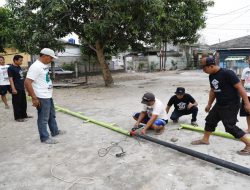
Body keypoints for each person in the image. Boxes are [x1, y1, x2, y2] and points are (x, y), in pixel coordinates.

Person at [191, 56, 250, 155]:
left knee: (230, 126)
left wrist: (247, 103)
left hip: (231, 104)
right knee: (210, 120)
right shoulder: (211, 76)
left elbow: (240, 87)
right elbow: (213, 90)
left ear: (211, 66)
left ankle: (248, 144)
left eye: (204, 68)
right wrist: (209, 104)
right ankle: (205, 140)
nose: (203, 70)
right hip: (219, 103)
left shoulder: (227, 73)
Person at [24, 48, 65, 144]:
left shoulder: (44, 65)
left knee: (51, 115)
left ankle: (55, 131)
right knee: (43, 118)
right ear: (45, 56)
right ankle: (44, 137)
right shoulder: (36, 67)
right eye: (51, 58)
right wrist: (34, 98)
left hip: (47, 95)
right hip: (41, 96)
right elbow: (27, 82)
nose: (51, 60)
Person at [8, 55, 30, 122]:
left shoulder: (18, 67)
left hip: (21, 87)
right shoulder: (10, 68)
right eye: (20, 60)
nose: (21, 62)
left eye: (22, 60)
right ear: (15, 60)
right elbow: (10, 79)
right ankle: (18, 117)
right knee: (17, 103)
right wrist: (13, 89)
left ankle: (24, 115)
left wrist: (24, 86)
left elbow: (21, 78)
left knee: (23, 102)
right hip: (16, 88)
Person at [240, 55, 250, 134]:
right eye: (249, 60)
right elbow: (242, 82)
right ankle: (249, 129)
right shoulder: (245, 70)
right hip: (246, 95)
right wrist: (241, 92)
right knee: (248, 113)